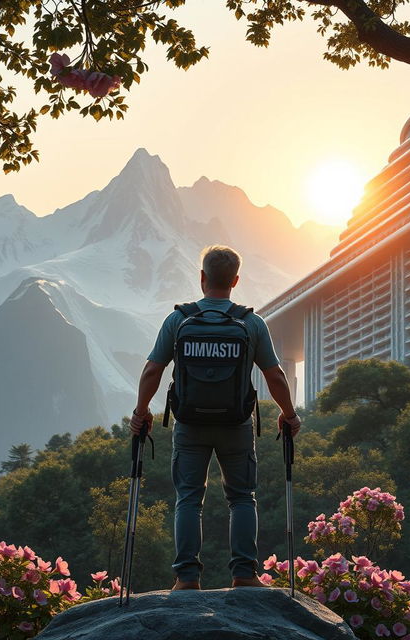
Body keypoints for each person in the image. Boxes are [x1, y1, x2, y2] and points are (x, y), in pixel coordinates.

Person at [130, 245, 301, 590]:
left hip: (190, 425)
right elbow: (276, 376)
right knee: (241, 498)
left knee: (189, 499)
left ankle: (187, 579)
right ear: (235, 280)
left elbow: (152, 371)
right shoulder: (251, 323)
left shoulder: (178, 320)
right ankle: (244, 574)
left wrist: (141, 412)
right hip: (235, 425)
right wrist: (289, 415)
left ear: (203, 278)